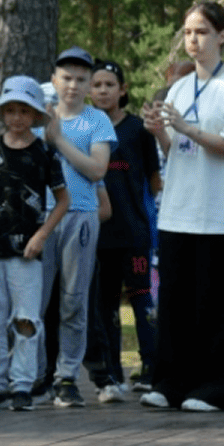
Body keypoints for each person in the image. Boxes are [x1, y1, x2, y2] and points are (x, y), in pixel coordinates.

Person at [140, 2, 224, 412]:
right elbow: (178, 152)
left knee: (216, 305)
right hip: (180, 210)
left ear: (223, 36)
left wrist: (188, 127)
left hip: (223, 215)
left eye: (203, 31)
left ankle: (214, 388)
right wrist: (160, 133)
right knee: (175, 303)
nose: (193, 39)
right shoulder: (179, 87)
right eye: (188, 31)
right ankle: (170, 382)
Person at [0, 77, 71, 411]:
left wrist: (42, 235)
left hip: (27, 253)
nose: (16, 117)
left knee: (27, 319)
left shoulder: (45, 154)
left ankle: (22, 384)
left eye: (24, 111)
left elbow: (63, 200)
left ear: (36, 114)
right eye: (9, 110)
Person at [36, 48, 116, 408]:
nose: (73, 85)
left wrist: (59, 140)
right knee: (34, 300)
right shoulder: (35, 117)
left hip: (81, 214)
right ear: (54, 80)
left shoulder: (97, 121)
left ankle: (66, 376)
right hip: (40, 217)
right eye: (66, 78)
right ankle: (32, 375)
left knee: (73, 300)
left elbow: (97, 169)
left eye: (81, 79)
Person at [83, 60, 161, 401]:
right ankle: (111, 374)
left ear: (123, 90)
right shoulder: (81, 127)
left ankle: (151, 368)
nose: (102, 90)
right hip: (99, 235)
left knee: (143, 299)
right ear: (88, 90)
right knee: (104, 305)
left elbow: (155, 181)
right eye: (96, 84)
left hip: (134, 234)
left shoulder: (138, 130)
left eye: (109, 84)